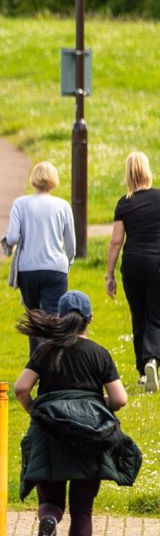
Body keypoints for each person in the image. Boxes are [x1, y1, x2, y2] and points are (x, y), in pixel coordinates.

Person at [14, 291, 139, 536]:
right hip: (89, 437)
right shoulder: (99, 353)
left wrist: (40, 413)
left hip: (49, 436)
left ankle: (50, 522)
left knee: (51, 502)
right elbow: (120, 398)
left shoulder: (45, 351)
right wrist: (97, 409)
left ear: (59, 317)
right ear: (90, 320)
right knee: (82, 509)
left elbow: (20, 388)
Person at [4, 161, 76, 356]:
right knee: (53, 318)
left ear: (34, 179)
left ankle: (36, 364)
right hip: (56, 269)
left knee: (34, 320)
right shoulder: (63, 206)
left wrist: (10, 246)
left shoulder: (21, 203)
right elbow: (71, 245)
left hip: (28, 268)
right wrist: (67, 263)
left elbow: (12, 238)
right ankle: (52, 364)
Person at [106, 151, 160, 391]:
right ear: (148, 171)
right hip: (157, 262)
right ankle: (152, 360)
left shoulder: (124, 202)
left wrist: (110, 274)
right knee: (156, 316)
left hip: (133, 263)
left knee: (138, 316)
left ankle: (142, 372)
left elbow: (116, 241)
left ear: (128, 174)